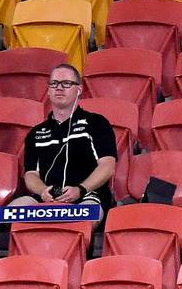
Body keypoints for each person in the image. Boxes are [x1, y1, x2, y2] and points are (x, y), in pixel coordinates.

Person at [10, 64, 117, 225]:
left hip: (87, 195)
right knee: (7, 216)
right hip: (45, 198)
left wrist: (80, 189)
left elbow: (107, 166)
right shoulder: (36, 133)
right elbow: (31, 174)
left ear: (79, 89)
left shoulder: (96, 123)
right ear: (48, 90)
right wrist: (42, 191)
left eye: (66, 83)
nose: (59, 88)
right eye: (54, 83)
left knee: (81, 222)